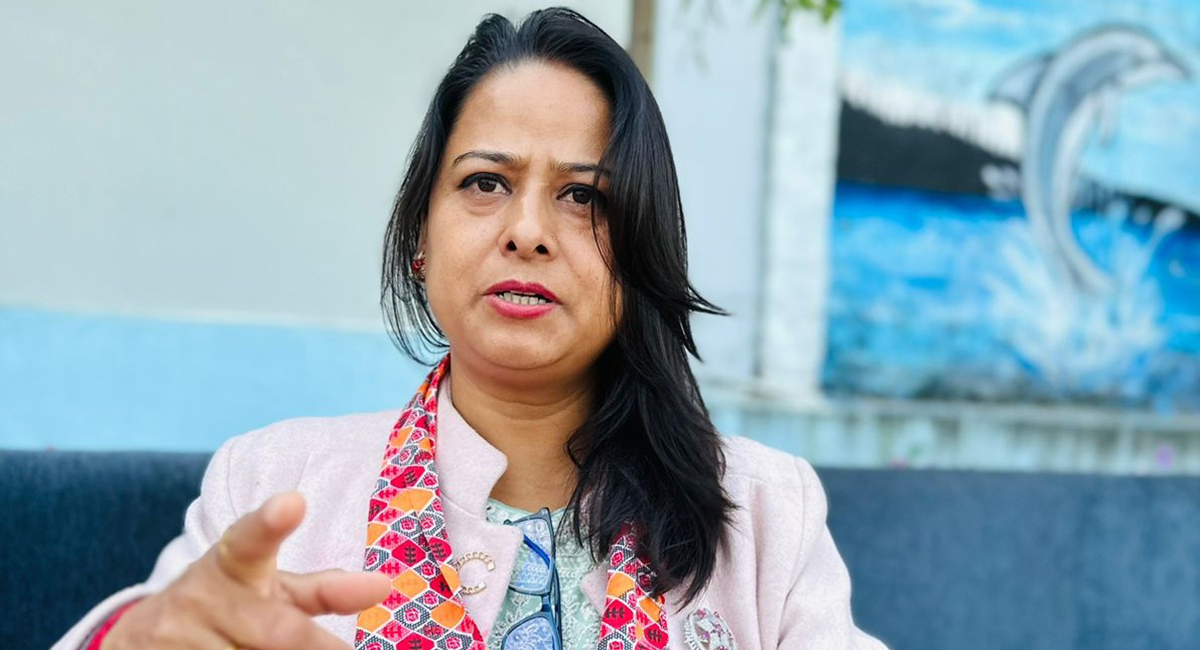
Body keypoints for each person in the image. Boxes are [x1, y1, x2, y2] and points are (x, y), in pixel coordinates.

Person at [53, 7, 888, 650]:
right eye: (486, 182)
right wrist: (133, 636)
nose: (527, 231)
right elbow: (175, 626)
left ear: (641, 253)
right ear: (421, 236)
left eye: (583, 196)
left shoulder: (763, 510)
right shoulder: (274, 485)